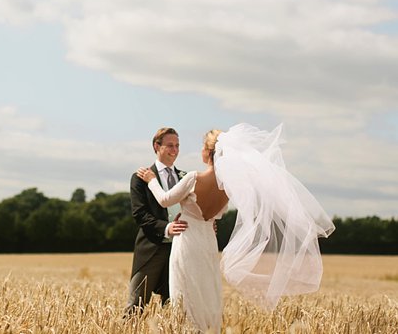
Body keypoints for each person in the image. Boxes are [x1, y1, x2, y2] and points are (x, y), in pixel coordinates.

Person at [137, 123, 335, 333]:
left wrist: (151, 180)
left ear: (208, 152)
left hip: (188, 237)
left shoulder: (194, 177)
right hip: (207, 240)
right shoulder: (227, 188)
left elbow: (165, 200)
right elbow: (216, 216)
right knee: (207, 291)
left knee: (185, 292)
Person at [125, 127, 188, 314]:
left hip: (180, 248)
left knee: (173, 306)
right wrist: (167, 228)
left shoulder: (185, 177)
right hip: (151, 248)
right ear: (156, 146)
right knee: (135, 306)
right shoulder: (140, 178)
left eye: (177, 145)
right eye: (170, 145)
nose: (174, 150)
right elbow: (140, 214)